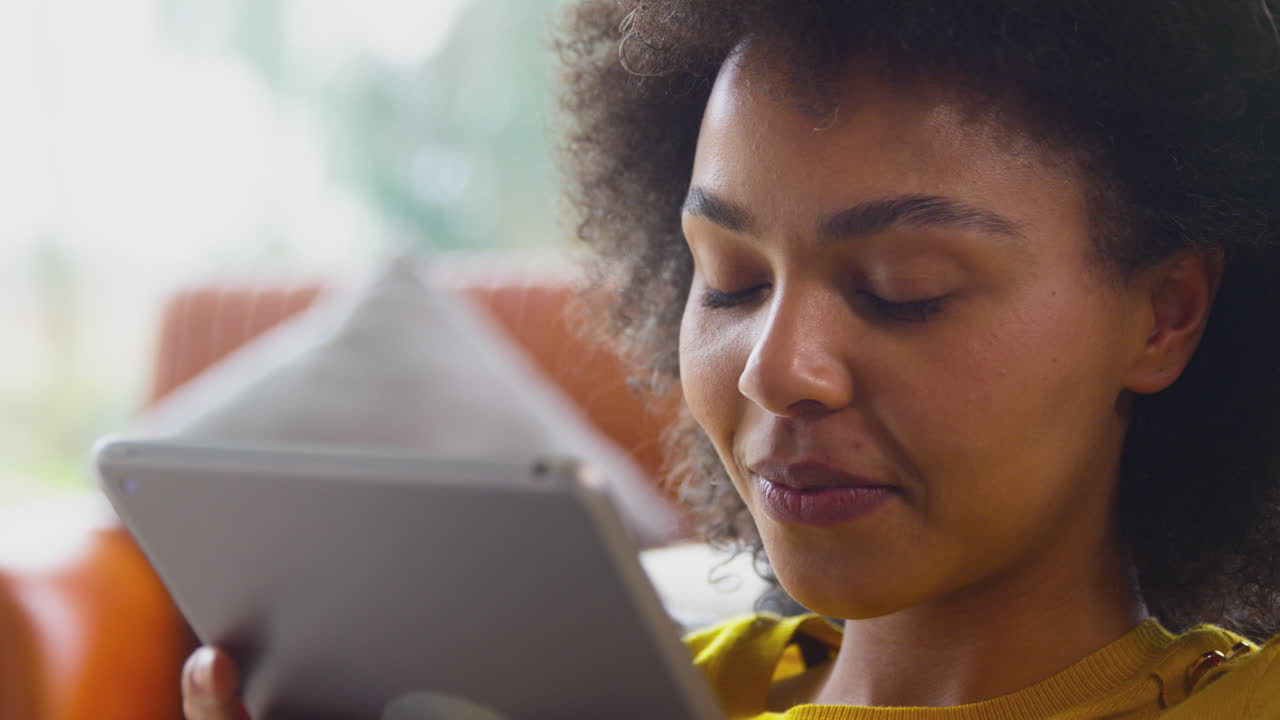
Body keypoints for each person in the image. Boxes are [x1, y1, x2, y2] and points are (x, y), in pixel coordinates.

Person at [184, 1, 1280, 718]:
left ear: (1163, 316)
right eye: (732, 279)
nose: (774, 367)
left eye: (903, 291)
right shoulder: (637, 698)